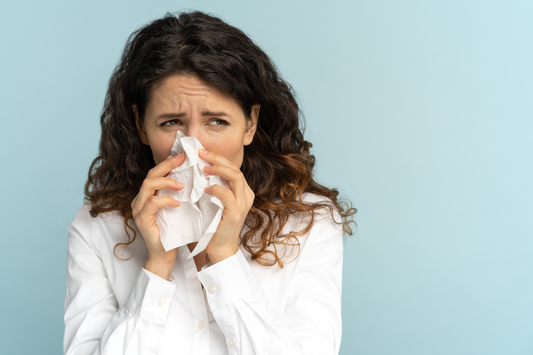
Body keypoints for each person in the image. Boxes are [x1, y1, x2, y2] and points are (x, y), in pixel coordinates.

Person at [64, 10, 356, 355]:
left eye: (216, 121)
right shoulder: (96, 228)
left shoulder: (311, 223)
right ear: (141, 126)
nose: (193, 145)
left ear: (250, 125)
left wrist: (224, 259)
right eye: (171, 122)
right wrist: (157, 268)